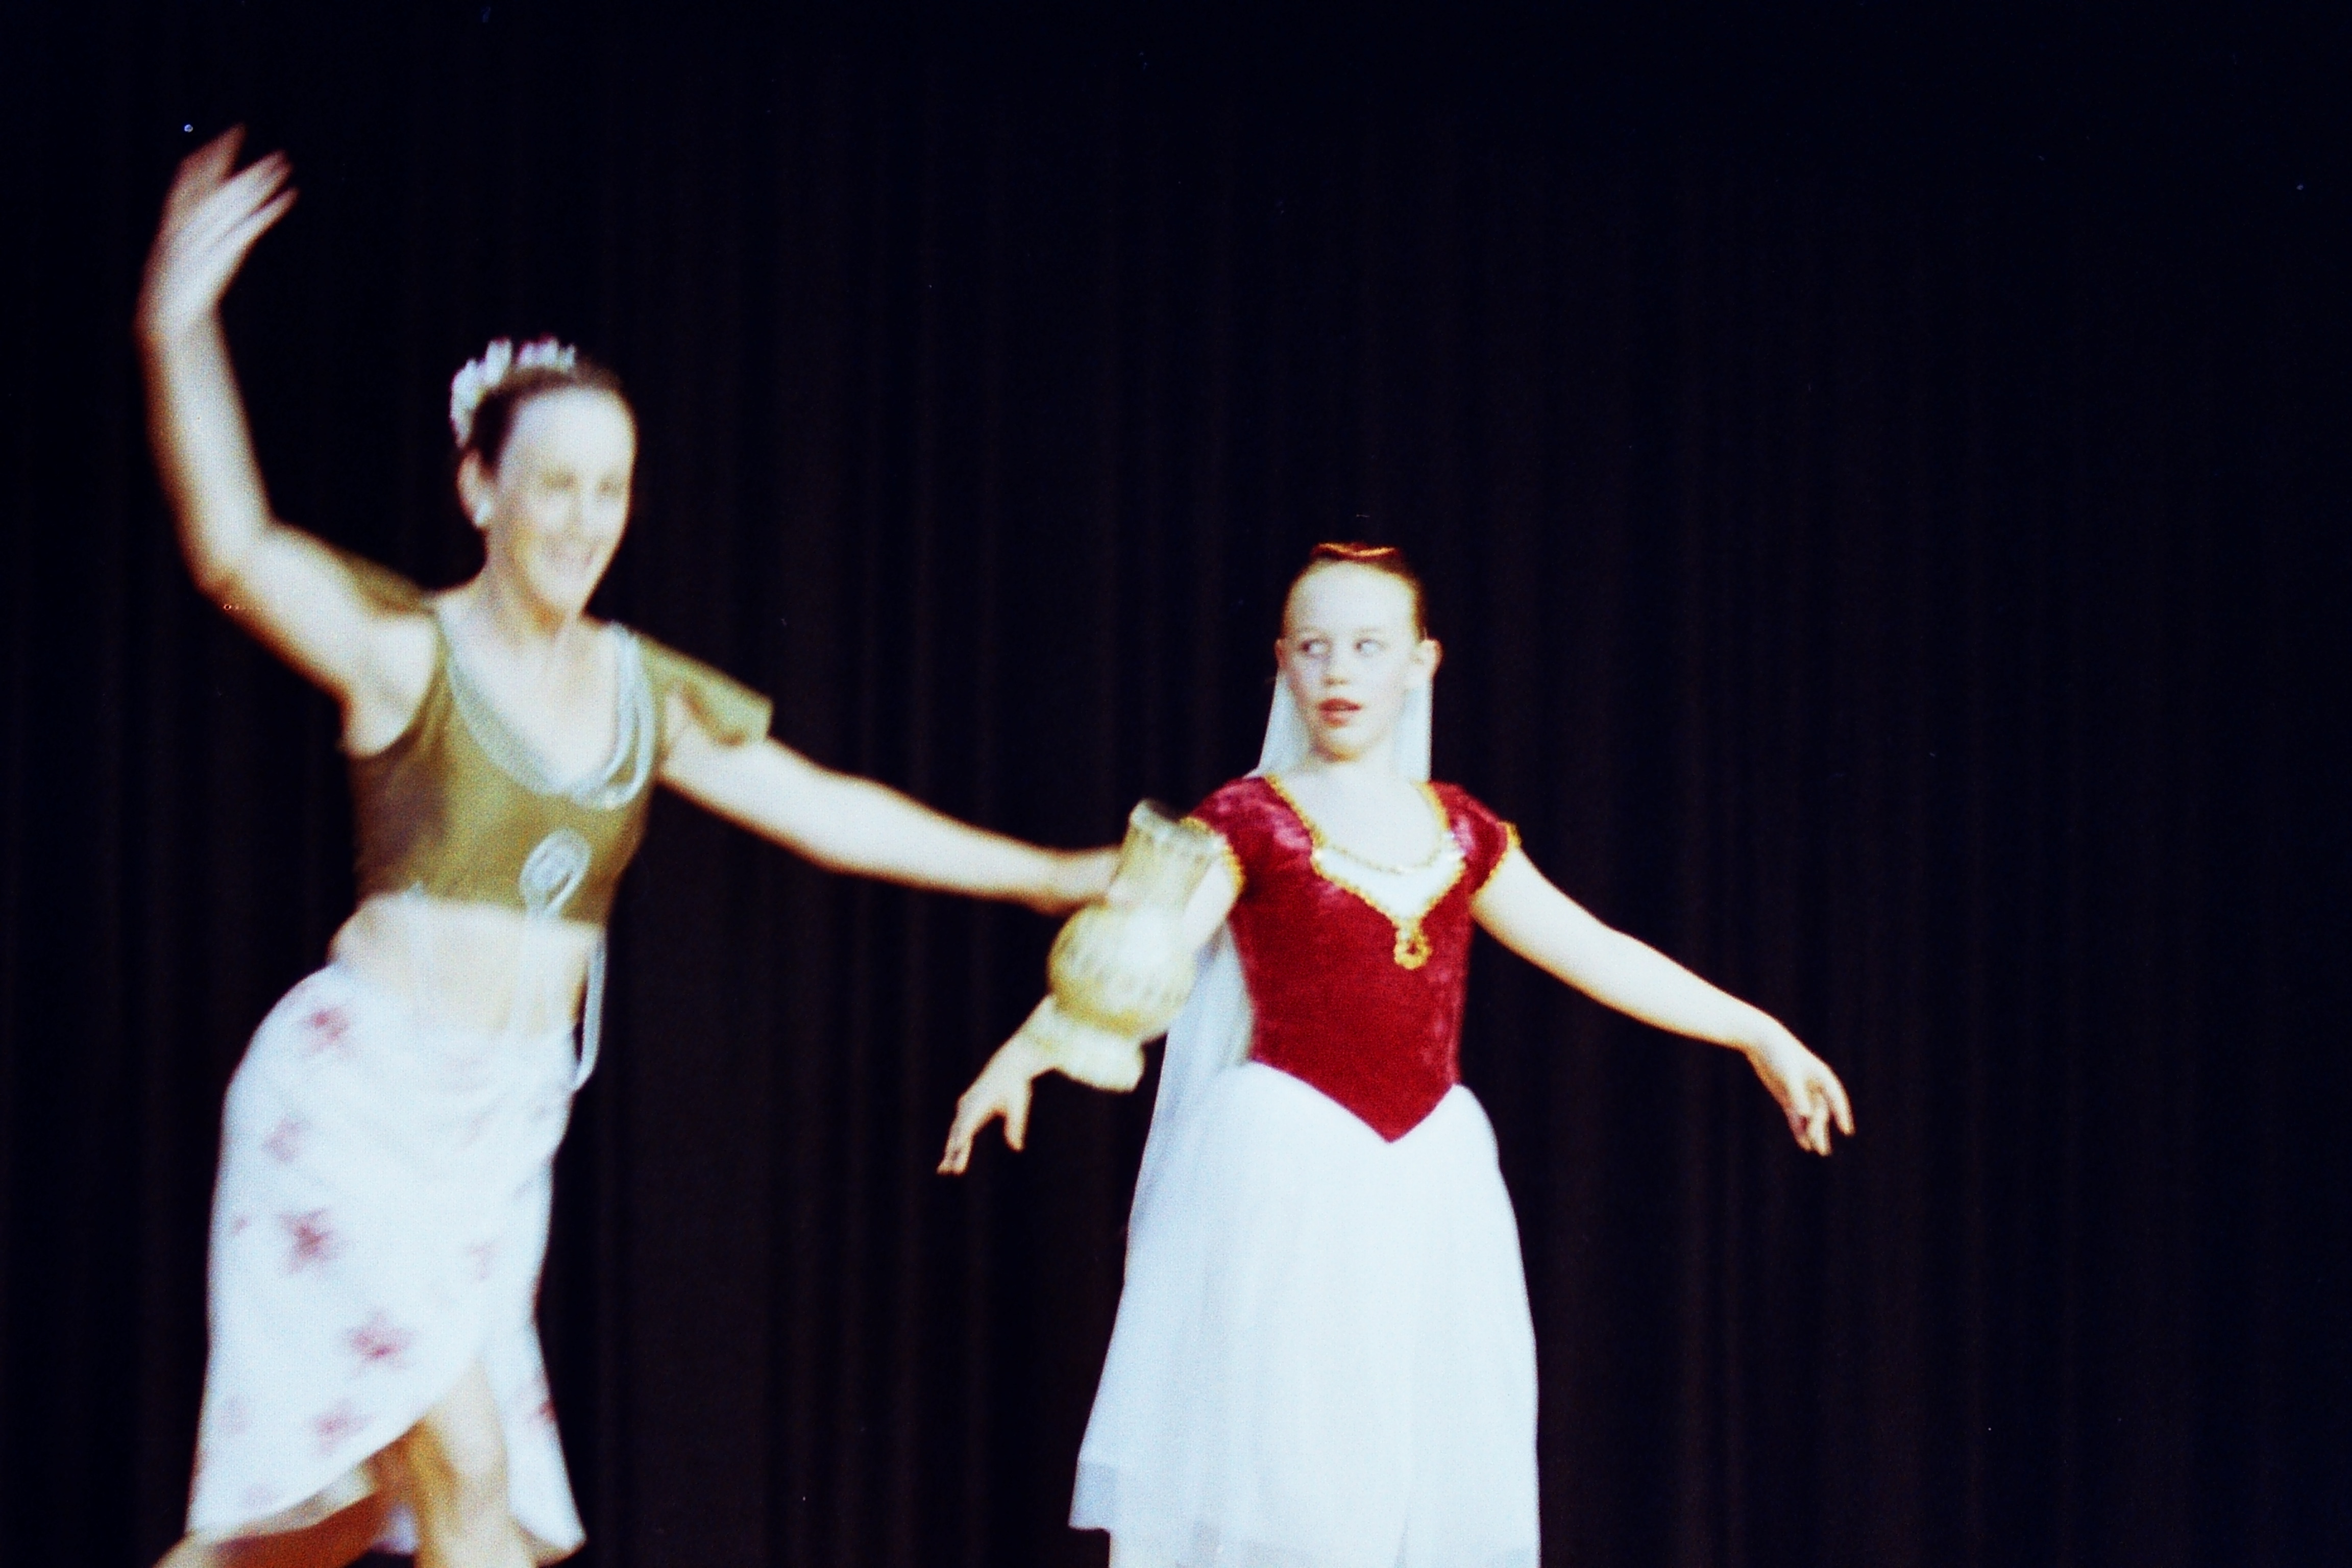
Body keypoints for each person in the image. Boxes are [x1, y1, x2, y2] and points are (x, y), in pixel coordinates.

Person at [139, 130, 1114, 1568]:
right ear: (481, 490)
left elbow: (825, 811)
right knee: (465, 1471)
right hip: (356, 1110)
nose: (586, 521)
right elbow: (234, 547)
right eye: (555, 486)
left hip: (499, 1135)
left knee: (326, 1528)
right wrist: (176, 330)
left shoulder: (641, 693)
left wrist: (1050, 876)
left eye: (612, 489)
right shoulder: (407, 655)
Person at [940, 542, 1854, 1568]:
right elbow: (1140, 955)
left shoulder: (1464, 832)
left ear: (1421, 663)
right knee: (1294, 1468)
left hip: (1428, 1178)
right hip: (1286, 1169)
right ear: (1282, 661)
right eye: (1315, 647)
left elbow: (1595, 950)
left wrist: (1757, 1030)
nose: (1339, 670)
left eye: (1368, 647)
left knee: (1415, 1468)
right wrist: (1027, 1052)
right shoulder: (1250, 821)